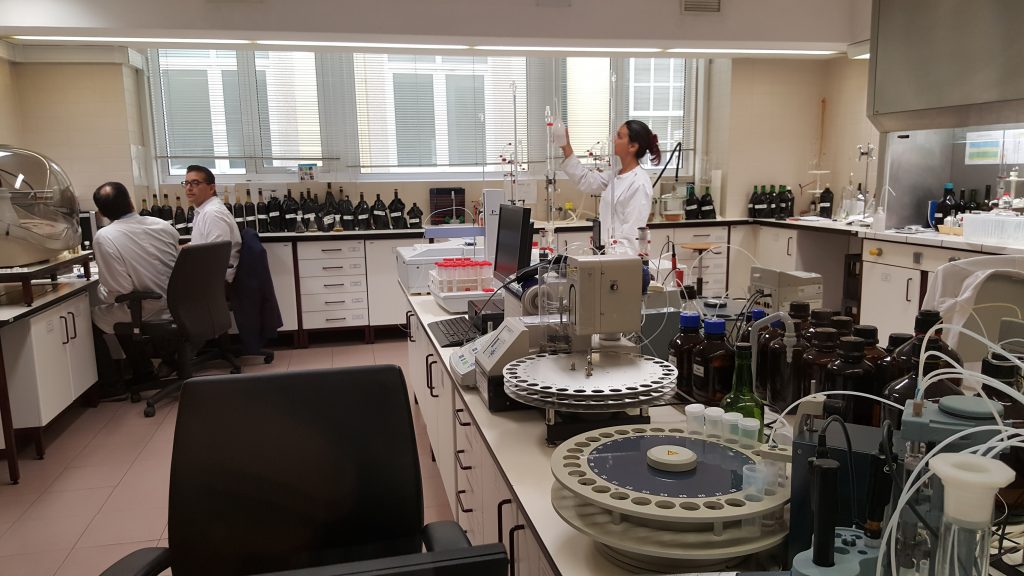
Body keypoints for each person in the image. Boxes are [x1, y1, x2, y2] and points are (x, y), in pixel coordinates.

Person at [91, 182, 179, 398]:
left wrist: (100, 293)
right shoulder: (163, 225)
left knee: (94, 318)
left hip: (148, 307)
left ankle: (112, 386)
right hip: (178, 304)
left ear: (101, 213)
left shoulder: (105, 236)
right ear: (131, 201)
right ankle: (143, 372)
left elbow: (119, 290)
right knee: (123, 311)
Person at [559, 120, 661, 255]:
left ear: (632, 146)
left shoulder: (639, 183)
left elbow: (631, 239)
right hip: (608, 256)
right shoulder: (616, 175)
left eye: (619, 136)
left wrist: (607, 256)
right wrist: (566, 147)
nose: (614, 140)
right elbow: (586, 180)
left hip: (621, 259)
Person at [183, 164, 241, 282]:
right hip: (209, 278)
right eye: (186, 183)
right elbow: (205, 243)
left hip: (215, 283)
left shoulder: (212, 214)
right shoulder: (204, 210)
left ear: (211, 188)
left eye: (195, 183)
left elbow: (216, 258)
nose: (188, 188)